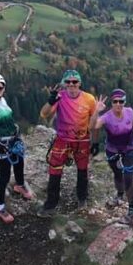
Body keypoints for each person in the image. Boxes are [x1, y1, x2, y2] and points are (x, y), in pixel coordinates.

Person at [37, 69, 96, 217]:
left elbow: (94, 122)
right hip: (63, 140)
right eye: (68, 82)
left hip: (82, 141)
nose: (71, 85)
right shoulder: (59, 96)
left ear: (80, 83)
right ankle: (50, 204)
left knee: (82, 170)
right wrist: (51, 100)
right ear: (64, 83)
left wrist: (94, 142)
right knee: (55, 170)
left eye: (74, 82)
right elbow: (44, 114)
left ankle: (82, 199)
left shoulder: (89, 99)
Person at [0, 73, 34, 224]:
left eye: (0, 87)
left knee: (19, 163)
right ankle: (0, 208)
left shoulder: (3, 100)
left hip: (13, 139)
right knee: (4, 176)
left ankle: (19, 185)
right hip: (0, 144)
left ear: (4, 88)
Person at [92, 89, 133, 223]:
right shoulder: (106, 117)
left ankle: (131, 209)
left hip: (129, 149)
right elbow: (94, 125)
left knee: (128, 178)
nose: (118, 104)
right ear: (111, 103)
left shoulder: (130, 111)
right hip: (112, 150)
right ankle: (119, 195)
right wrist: (96, 110)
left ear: (125, 102)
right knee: (118, 175)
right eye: (115, 102)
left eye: (121, 101)